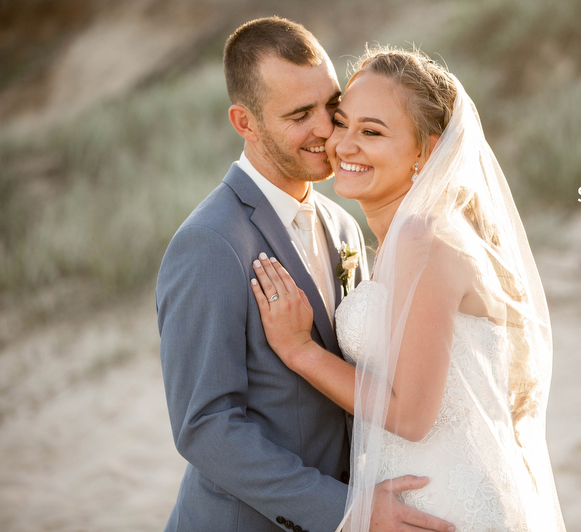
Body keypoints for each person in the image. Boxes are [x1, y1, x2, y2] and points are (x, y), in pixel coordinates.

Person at [250, 47, 567, 531]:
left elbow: (413, 415)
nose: (343, 145)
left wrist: (300, 351)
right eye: (342, 123)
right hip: (419, 499)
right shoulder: (408, 239)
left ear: (427, 151)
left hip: (444, 507)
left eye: (372, 132)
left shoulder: (424, 240)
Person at [157, 18, 455, 532]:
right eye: (300, 115)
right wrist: (345, 511)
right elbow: (205, 427)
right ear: (245, 123)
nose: (326, 130)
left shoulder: (342, 224)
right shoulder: (209, 243)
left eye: (330, 106)